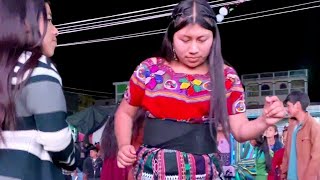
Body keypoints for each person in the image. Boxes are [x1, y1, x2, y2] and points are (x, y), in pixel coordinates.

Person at [114, 0, 286, 179]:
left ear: (213, 39)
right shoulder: (149, 70)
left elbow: (241, 131)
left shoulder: (226, 77)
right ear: (172, 37)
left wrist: (264, 120)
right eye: (185, 40)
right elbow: (125, 113)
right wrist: (124, 145)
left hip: (203, 172)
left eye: (202, 39)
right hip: (152, 170)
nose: (193, 49)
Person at [0, 0, 76, 179]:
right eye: (49, 20)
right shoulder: (37, 67)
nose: (56, 30)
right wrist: (73, 158)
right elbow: (57, 140)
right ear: (25, 23)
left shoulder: (5, 69)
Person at [280, 91, 320, 180]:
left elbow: (317, 158)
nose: (286, 109)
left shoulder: (314, 126)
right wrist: (283, 174)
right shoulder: (291, 126)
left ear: (297, 105)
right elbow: (286, 154)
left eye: (288, 106)